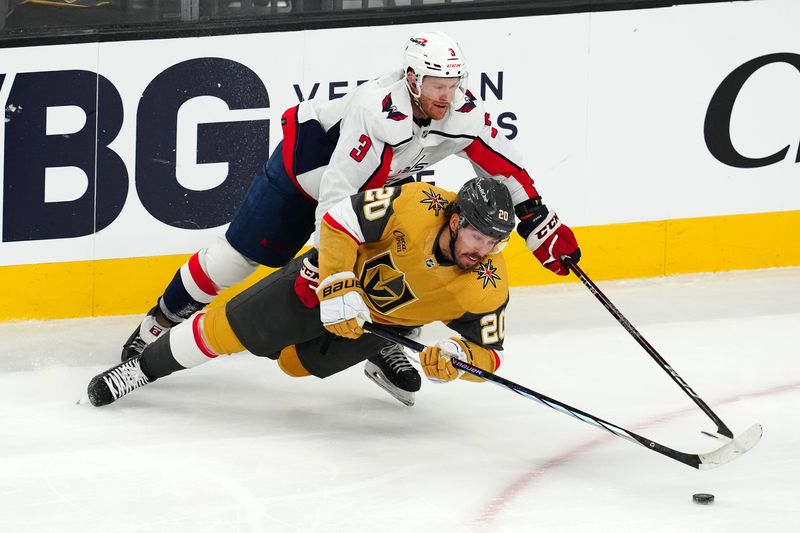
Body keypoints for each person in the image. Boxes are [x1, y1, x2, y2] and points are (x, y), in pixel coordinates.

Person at [120, 30, 581, 406]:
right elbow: (339, 200)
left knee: (412, 262)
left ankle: (381, 344)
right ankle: (155, 327)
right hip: (304, 176)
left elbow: (502, 164)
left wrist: (538, 219)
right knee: (234, 261)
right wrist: (325, 269)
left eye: (453, 84)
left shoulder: (460, 111)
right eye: (438, 85)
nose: (447, 95)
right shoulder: (375, 112)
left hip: (368, 190)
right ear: (413, 79)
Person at [87, 177, 522, 407]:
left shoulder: (487, 285)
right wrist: (336, 284)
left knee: (294, 365)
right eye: (478, 236)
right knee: (233, 330)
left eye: (494, 241)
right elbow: (339, 222)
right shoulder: (417, 204)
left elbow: (490, 354)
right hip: (328, 280)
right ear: (455, 220)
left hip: (377, 326)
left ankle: (372, 349)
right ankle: (144, 368)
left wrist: (458, 362)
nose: (483, 250)